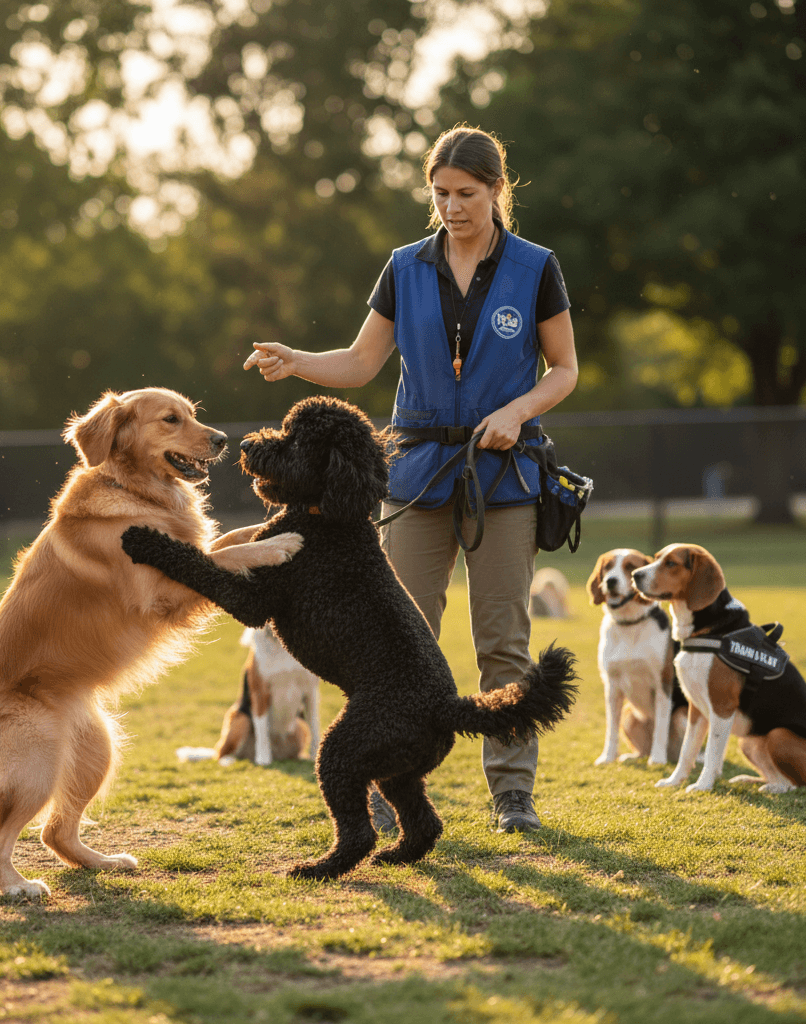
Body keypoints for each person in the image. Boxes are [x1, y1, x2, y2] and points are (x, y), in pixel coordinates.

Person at [243, 125, 578, 833]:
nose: (452, 207)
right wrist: (296, 359)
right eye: (440, 194)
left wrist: (518, 411)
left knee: (503, 641)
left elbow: (566, 369)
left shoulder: (535, 266)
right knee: (393, 639)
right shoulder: (403, 266)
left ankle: (512, 793)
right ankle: (381, 784)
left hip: (505, 477)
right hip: (419, 472)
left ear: (496, 190)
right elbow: (363, 364)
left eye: (466, 194)